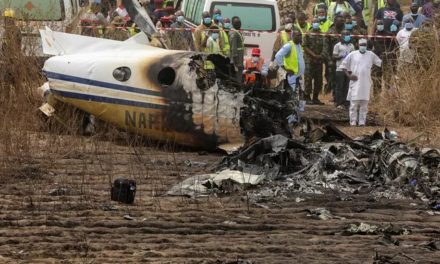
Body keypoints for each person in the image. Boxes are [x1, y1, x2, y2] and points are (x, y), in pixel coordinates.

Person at [340, 38, 382, 126]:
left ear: (367, 46)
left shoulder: (371, 55)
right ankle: (353, 122)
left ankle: (362, 122)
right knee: (354, 104)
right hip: (355, 82)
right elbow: (343, 66)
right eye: (361, 45)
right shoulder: (352, 54)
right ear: (358, 46)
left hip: (366, 82)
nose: (363, 46)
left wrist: (374, 72)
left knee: (364, 104)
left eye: (364, 45)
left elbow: (380, 63)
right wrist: (349, 76)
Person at [275, 29, 305, 124]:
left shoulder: (299, 45)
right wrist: (286, 68)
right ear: (292, 36)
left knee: (299, 96)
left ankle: (297, 116)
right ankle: (290, 119)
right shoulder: (289, 45)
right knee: (291, 97)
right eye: (298, 35)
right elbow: (278, 56)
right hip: (291, 76)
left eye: (300, 35)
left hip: (298, 76)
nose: (300, 37)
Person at [370, 19, 397, 93]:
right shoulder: (373, 36)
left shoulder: (388, 34)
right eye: (378, 24)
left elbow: (395, 45)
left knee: (388, 79)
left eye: (381, 24)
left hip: (387, 59)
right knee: (376, 78)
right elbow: (369, 47)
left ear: (383, 25)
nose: (380, 26)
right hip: (377, 59)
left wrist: (394, 35)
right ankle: (377, 97)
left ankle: (388, 97)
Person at [323, 14, 346, 96]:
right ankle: (335, 95)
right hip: (333, 60)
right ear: (335, 22)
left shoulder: (346, 31)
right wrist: (329, 60)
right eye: (340, 21)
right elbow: (326, 48)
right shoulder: (330, 32)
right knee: (333, 78)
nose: (342, 23)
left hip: (345, 60)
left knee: (344, 78)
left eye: (343, 21)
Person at [303, 18, 325, 105]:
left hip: (319, 61)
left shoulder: (322, 34)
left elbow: (325, 46)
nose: (316, 23)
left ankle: (315, 98)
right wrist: (313, 55)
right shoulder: (308, 34)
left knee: (318, 80)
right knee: (308, 79)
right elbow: (304, 46)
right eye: (314, 22)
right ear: (311, 24)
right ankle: (307, 97)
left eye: (317, 22)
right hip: (309, 60)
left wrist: (320, 56)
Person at [333, 30, 355, 108]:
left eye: (348, 35)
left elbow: (354, 57)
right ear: (341, 36)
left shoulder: (351, 45)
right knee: (340, 86)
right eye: (345, 35)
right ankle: (339, 102)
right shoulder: (337, 45)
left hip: (349, 69)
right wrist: (341, 56)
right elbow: (334, 56)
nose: (347, 37)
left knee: (347, 86)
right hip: (340, 68)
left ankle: (346, 102)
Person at [229, 16, 245, 83]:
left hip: (240, 57)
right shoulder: (234, 33)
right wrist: (236, 61)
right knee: (237, 75)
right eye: (236, 23)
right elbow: (233, 47)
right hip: (237, 58)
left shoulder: (237, 32)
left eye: (239, 22)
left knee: (240, 73)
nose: (239, 24)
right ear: (233, 24)